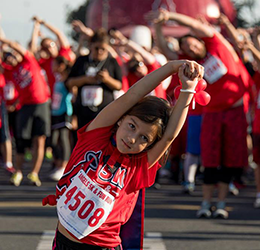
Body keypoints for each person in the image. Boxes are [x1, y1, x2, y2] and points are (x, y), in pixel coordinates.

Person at [42, 59, 204, 249]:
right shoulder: (95, 137)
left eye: (144, 138)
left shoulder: (137, 167)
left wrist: (187, 90)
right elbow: (131, 97)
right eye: (131, 126)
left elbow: (169, 136)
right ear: (121, 119)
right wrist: (170, 68)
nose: (133, 139)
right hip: (63, 242)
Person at [146, 8, 252, 219]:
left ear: (201, 41)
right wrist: (158, 26)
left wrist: (172, 16)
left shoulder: (216, 44)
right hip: (211, 113)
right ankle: (205, 203)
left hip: (235, 111)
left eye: (192, 42)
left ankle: (221, 203)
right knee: (211, 158)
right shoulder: (191, 63)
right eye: (186, 46)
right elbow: (168, 53)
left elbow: (197, 27)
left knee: (230, 159)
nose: (191, 47)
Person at [0, 37, 50, 187]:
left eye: (14, 55)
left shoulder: (29, 61)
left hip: (41, 105)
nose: (12, 59)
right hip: (25, 107)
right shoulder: (9, 71)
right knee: (21, 142)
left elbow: (15, 44)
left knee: (39, 140)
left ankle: (34, 173)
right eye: (8, 58)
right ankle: (19, 172)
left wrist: (3, 39)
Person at [66, 28, 122, 129]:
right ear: (91, 45)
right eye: (96, 48)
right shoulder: (82, 61)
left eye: (103, 49)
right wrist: (85, 79)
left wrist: (107, 79)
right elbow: (69, 82)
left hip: (105, 112)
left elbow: (119, 85)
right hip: (84, 113)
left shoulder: (112, 62)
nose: (99, 52)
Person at [49, 56, 73, 181]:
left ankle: (64, 165)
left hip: (65, 112)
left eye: (54, 64)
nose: (52, 67)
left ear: (61, 65)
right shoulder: (57, 78)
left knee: (63, 138)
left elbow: (73, 94)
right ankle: (58, 162)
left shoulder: (68, 79)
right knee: (52, 140)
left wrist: (74, 116)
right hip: (55, 112)